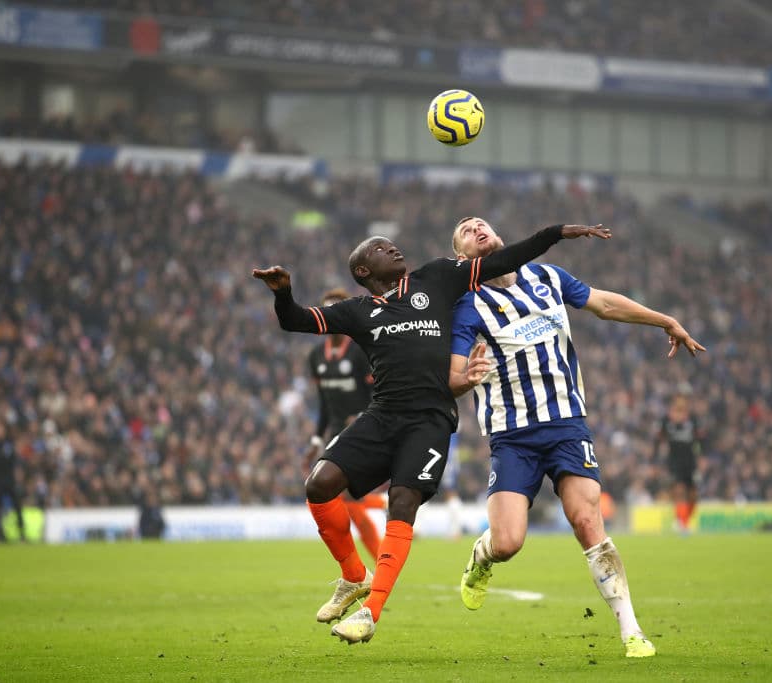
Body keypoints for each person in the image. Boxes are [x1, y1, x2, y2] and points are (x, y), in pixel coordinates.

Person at [253, 221, 611, 644]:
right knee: (319, 484)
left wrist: (555, 233)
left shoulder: (437, 277)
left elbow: (505, 258)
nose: (394, 249)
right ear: (364, 272)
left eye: (392, 244)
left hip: (430, 420)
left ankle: (370, 612)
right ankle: (353, 576)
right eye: (382, 249)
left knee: (401, 501)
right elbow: (295, 321)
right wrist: (282, 293)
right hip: (382, 415)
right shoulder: (357, 312)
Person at [448, 216, 705, 658]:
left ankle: (631, 630)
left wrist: (665, 320)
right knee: (508, 542)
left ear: (501, 236)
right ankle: (482, 558)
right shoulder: (467, 306)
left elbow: (604, 303)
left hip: (567, 424)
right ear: (462, 257)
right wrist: (465, 379)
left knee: (587, 521)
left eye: (481, 223)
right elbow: (453, 377)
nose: (477, 228)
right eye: (467, 230)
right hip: (512, 436)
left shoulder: (546, 276)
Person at [305, 287, 385, 561]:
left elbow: (379, 392)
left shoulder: (361, 351)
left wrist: (363, 415)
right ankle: (382, 512)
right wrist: (316, 440)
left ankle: (369, 568)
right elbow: (324, 402)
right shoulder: (316, 357)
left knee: (346, 499)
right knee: (346, 501)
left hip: (363, 432)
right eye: (327, 311)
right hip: (336, 435)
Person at [655, 394, 703, 533]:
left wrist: (703, 457)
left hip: (690, 461)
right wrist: (655, 460)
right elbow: (658, 439)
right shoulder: (666, 421)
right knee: (679, 491)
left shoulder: (692, 420)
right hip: (674, 461)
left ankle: (685, 520)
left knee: (693, 495)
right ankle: (681, 522)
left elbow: (701, 439)